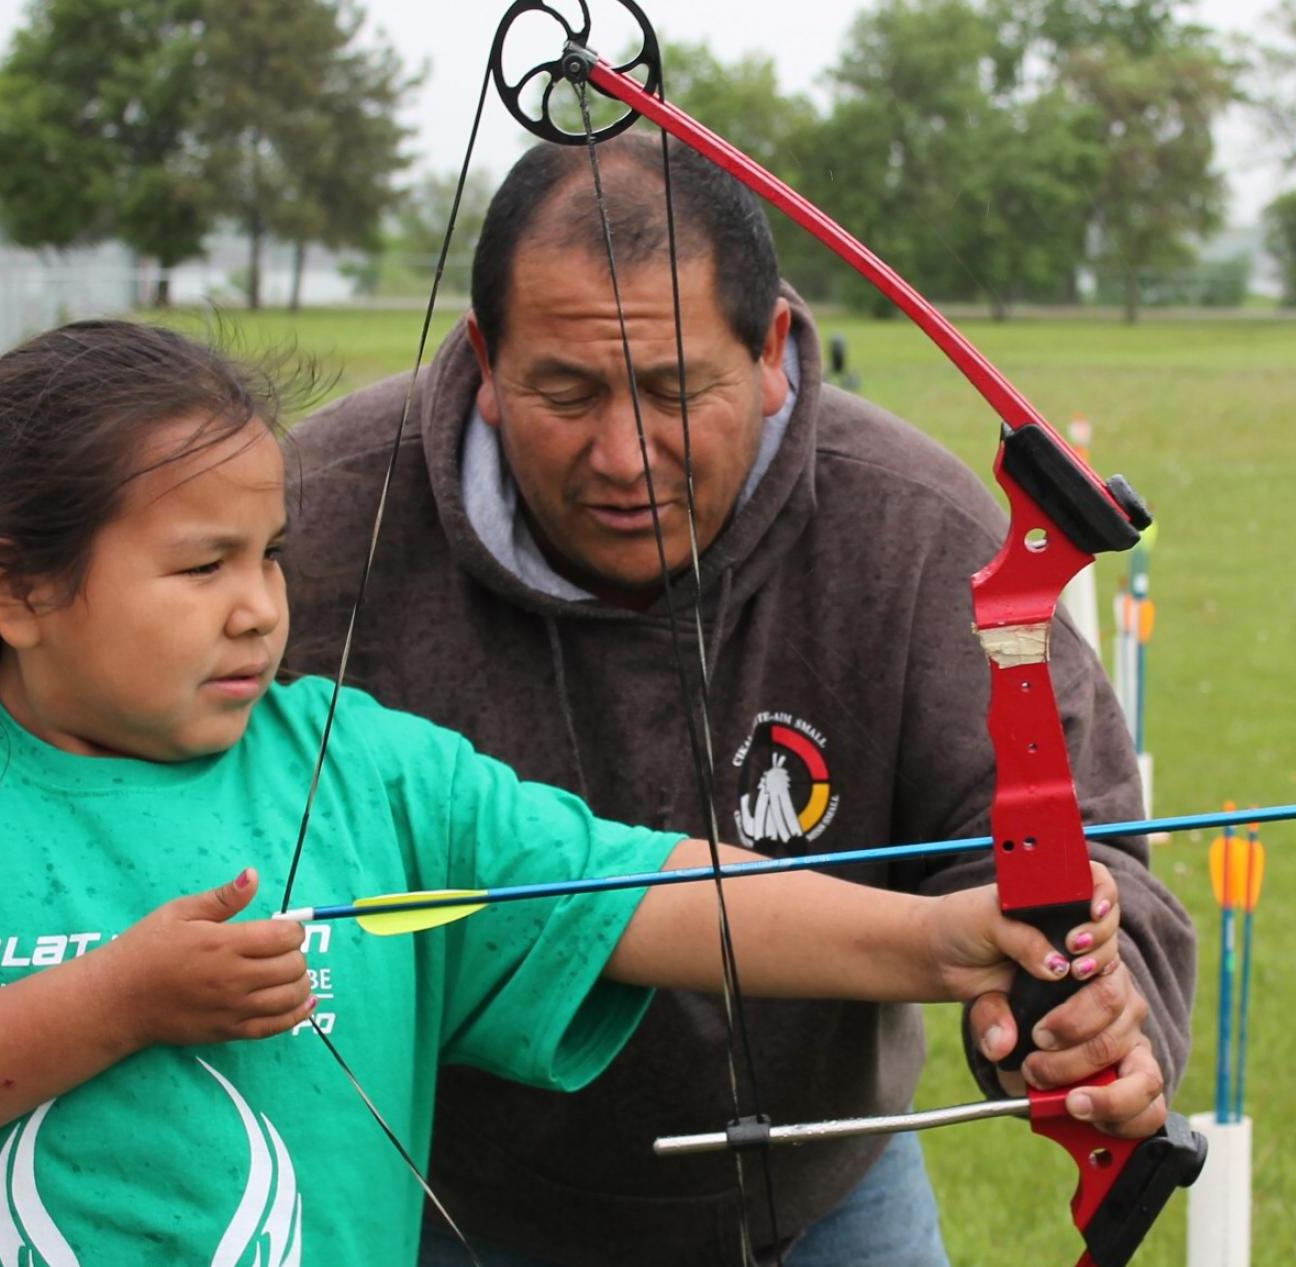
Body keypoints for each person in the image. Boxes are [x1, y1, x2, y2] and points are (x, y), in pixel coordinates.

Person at [0, 320, 1147, 1265]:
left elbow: (637, 890)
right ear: (19, 588)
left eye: (270, 557)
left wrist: (932, 936)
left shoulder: (357, 760)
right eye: (201, 568)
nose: (259, 608)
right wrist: (120, 1000)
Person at [284, 137, 1198, 1265]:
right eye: (564, 390)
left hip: (823, 1193)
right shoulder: (305, 522)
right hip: (440, 1189)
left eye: (676, 390)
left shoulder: (916, 529)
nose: (624, 456)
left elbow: (1080, 858)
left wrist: (1089, 1021)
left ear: (771, 352)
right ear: (482, 361)